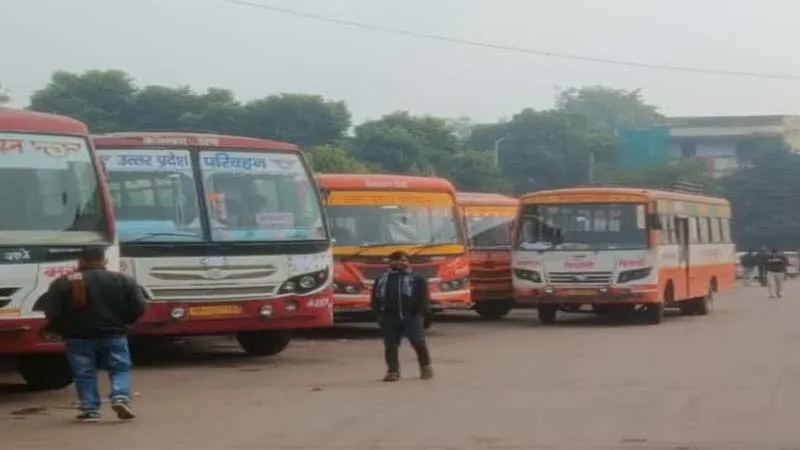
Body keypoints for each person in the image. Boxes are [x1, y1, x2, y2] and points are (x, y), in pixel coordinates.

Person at [43, 246, 147, 423]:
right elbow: (139, 307)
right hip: (114, 334)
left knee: (84, 372)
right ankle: (120, 396)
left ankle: (90, 410)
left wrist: (60, 330)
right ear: (104, 261)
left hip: (78, 338)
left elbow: (52, 312)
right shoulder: (123, 280)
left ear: (80, 261)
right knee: (119, 367)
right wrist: (124, 324)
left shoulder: (63, 282)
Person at [370, 251, 433, 382]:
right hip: (389, 316)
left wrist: (421, 313)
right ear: (390, 263)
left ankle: (425, 367)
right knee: (391, 345)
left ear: (407, 262)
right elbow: (375, 297)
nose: (399, 263)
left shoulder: (417, 278)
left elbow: (424, 298)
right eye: (396, 260)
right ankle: (393, 371)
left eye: (403, 260)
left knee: (418, 342)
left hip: (412, 315)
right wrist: (378, 314)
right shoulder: (382, 279)